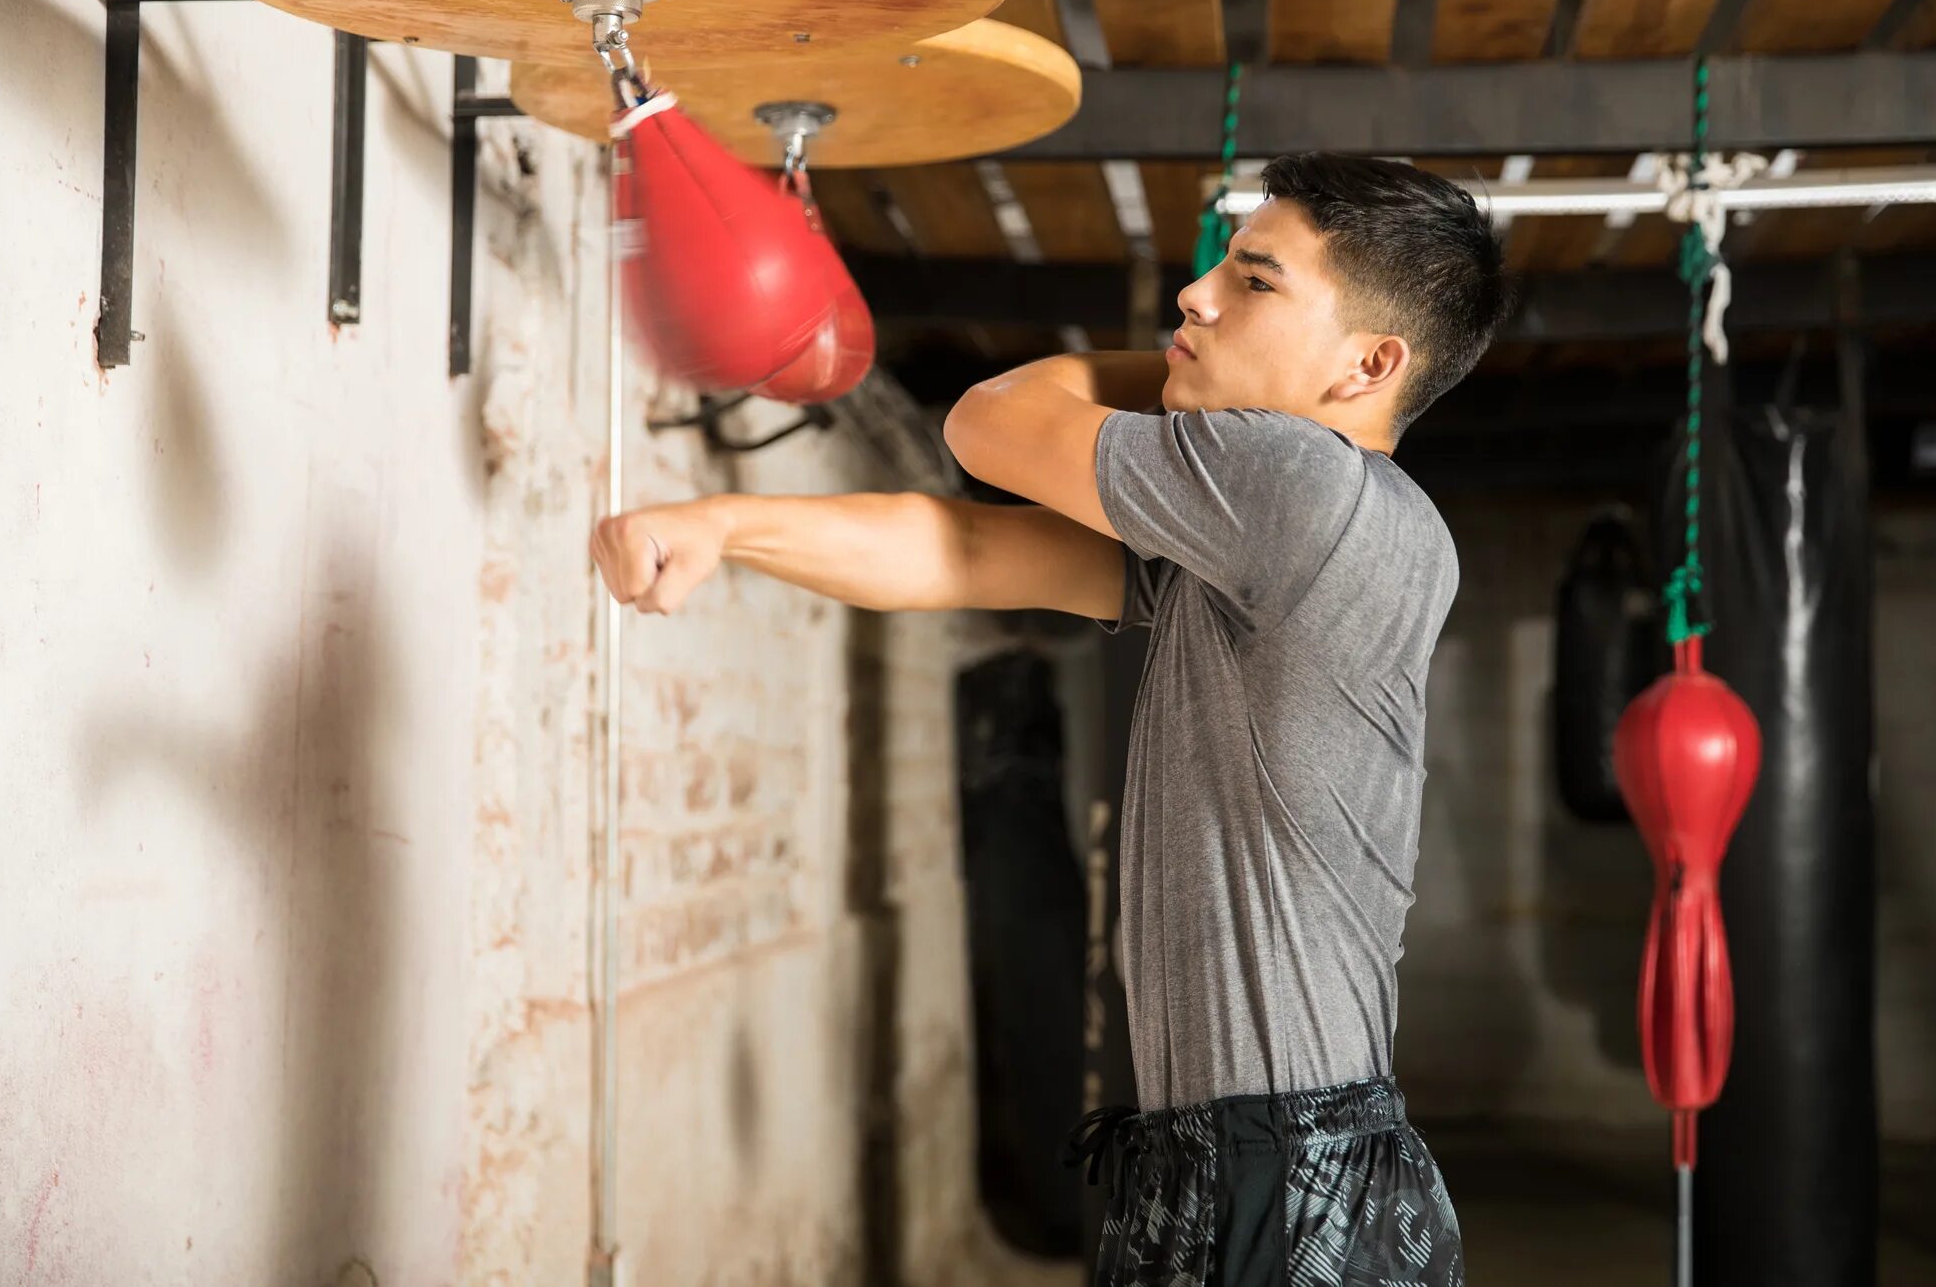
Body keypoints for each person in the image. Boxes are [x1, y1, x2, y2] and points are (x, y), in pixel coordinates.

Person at [591, 153, 1509, 1285]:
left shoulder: (1302, 493)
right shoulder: (1252, 545)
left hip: (1282, 1172)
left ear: (1368, 364)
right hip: (1233, 1154)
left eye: (1255, 280)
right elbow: (965, 548)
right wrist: (726, 524)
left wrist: (1189, 365)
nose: (1196, 293)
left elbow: (989, 423)